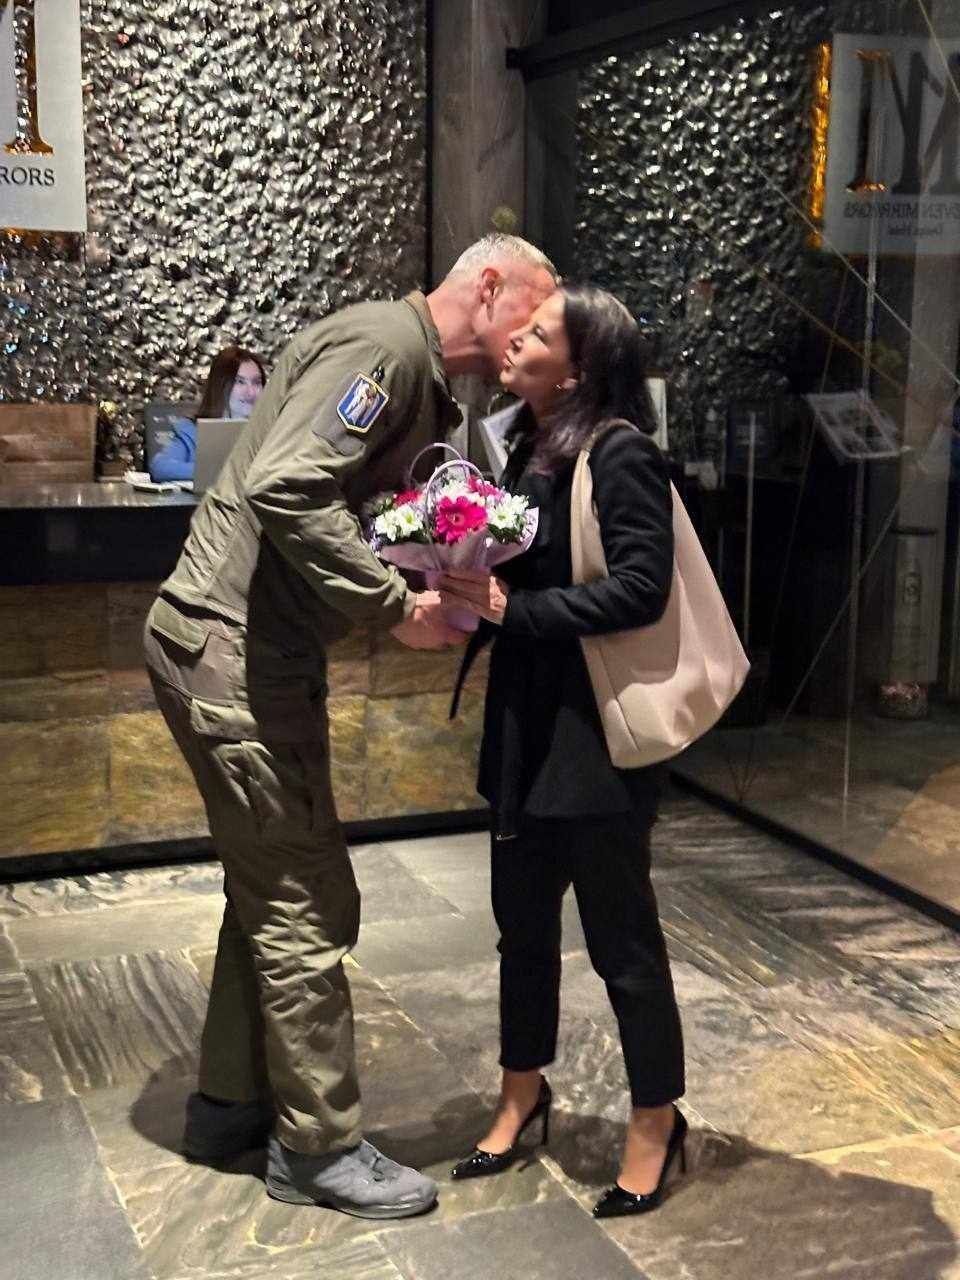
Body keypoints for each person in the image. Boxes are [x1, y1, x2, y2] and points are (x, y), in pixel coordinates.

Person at [142, 234, 558, 1220]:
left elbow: (317, 494)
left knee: (274, 884)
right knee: (304, 898)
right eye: (535, 309)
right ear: (487, 286)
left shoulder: (408, 366)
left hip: (250, 652)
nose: (539, 332)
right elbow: (288, 483)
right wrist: (395, 604)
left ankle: (230, 1105)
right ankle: (317, 1147)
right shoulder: (387, 351)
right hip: (234, 652)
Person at [439, 283, 687, 1218]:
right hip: (525, 728)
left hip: (596, 741)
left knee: (623, 942)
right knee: (522, 927)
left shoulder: (619, 452)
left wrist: (518, 609)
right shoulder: (524, 446)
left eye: (539, 333)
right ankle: (521, 1094)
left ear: (578, 369)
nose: (515, 340)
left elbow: (642, 589)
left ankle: (655, 1120)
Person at [150, 346, 267, 481]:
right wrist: (224, 472)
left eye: (257, 382)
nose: (251, 392)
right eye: (239, 382)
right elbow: (160, 467)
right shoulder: (191, 431)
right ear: (220, 386)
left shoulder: (272, 430)